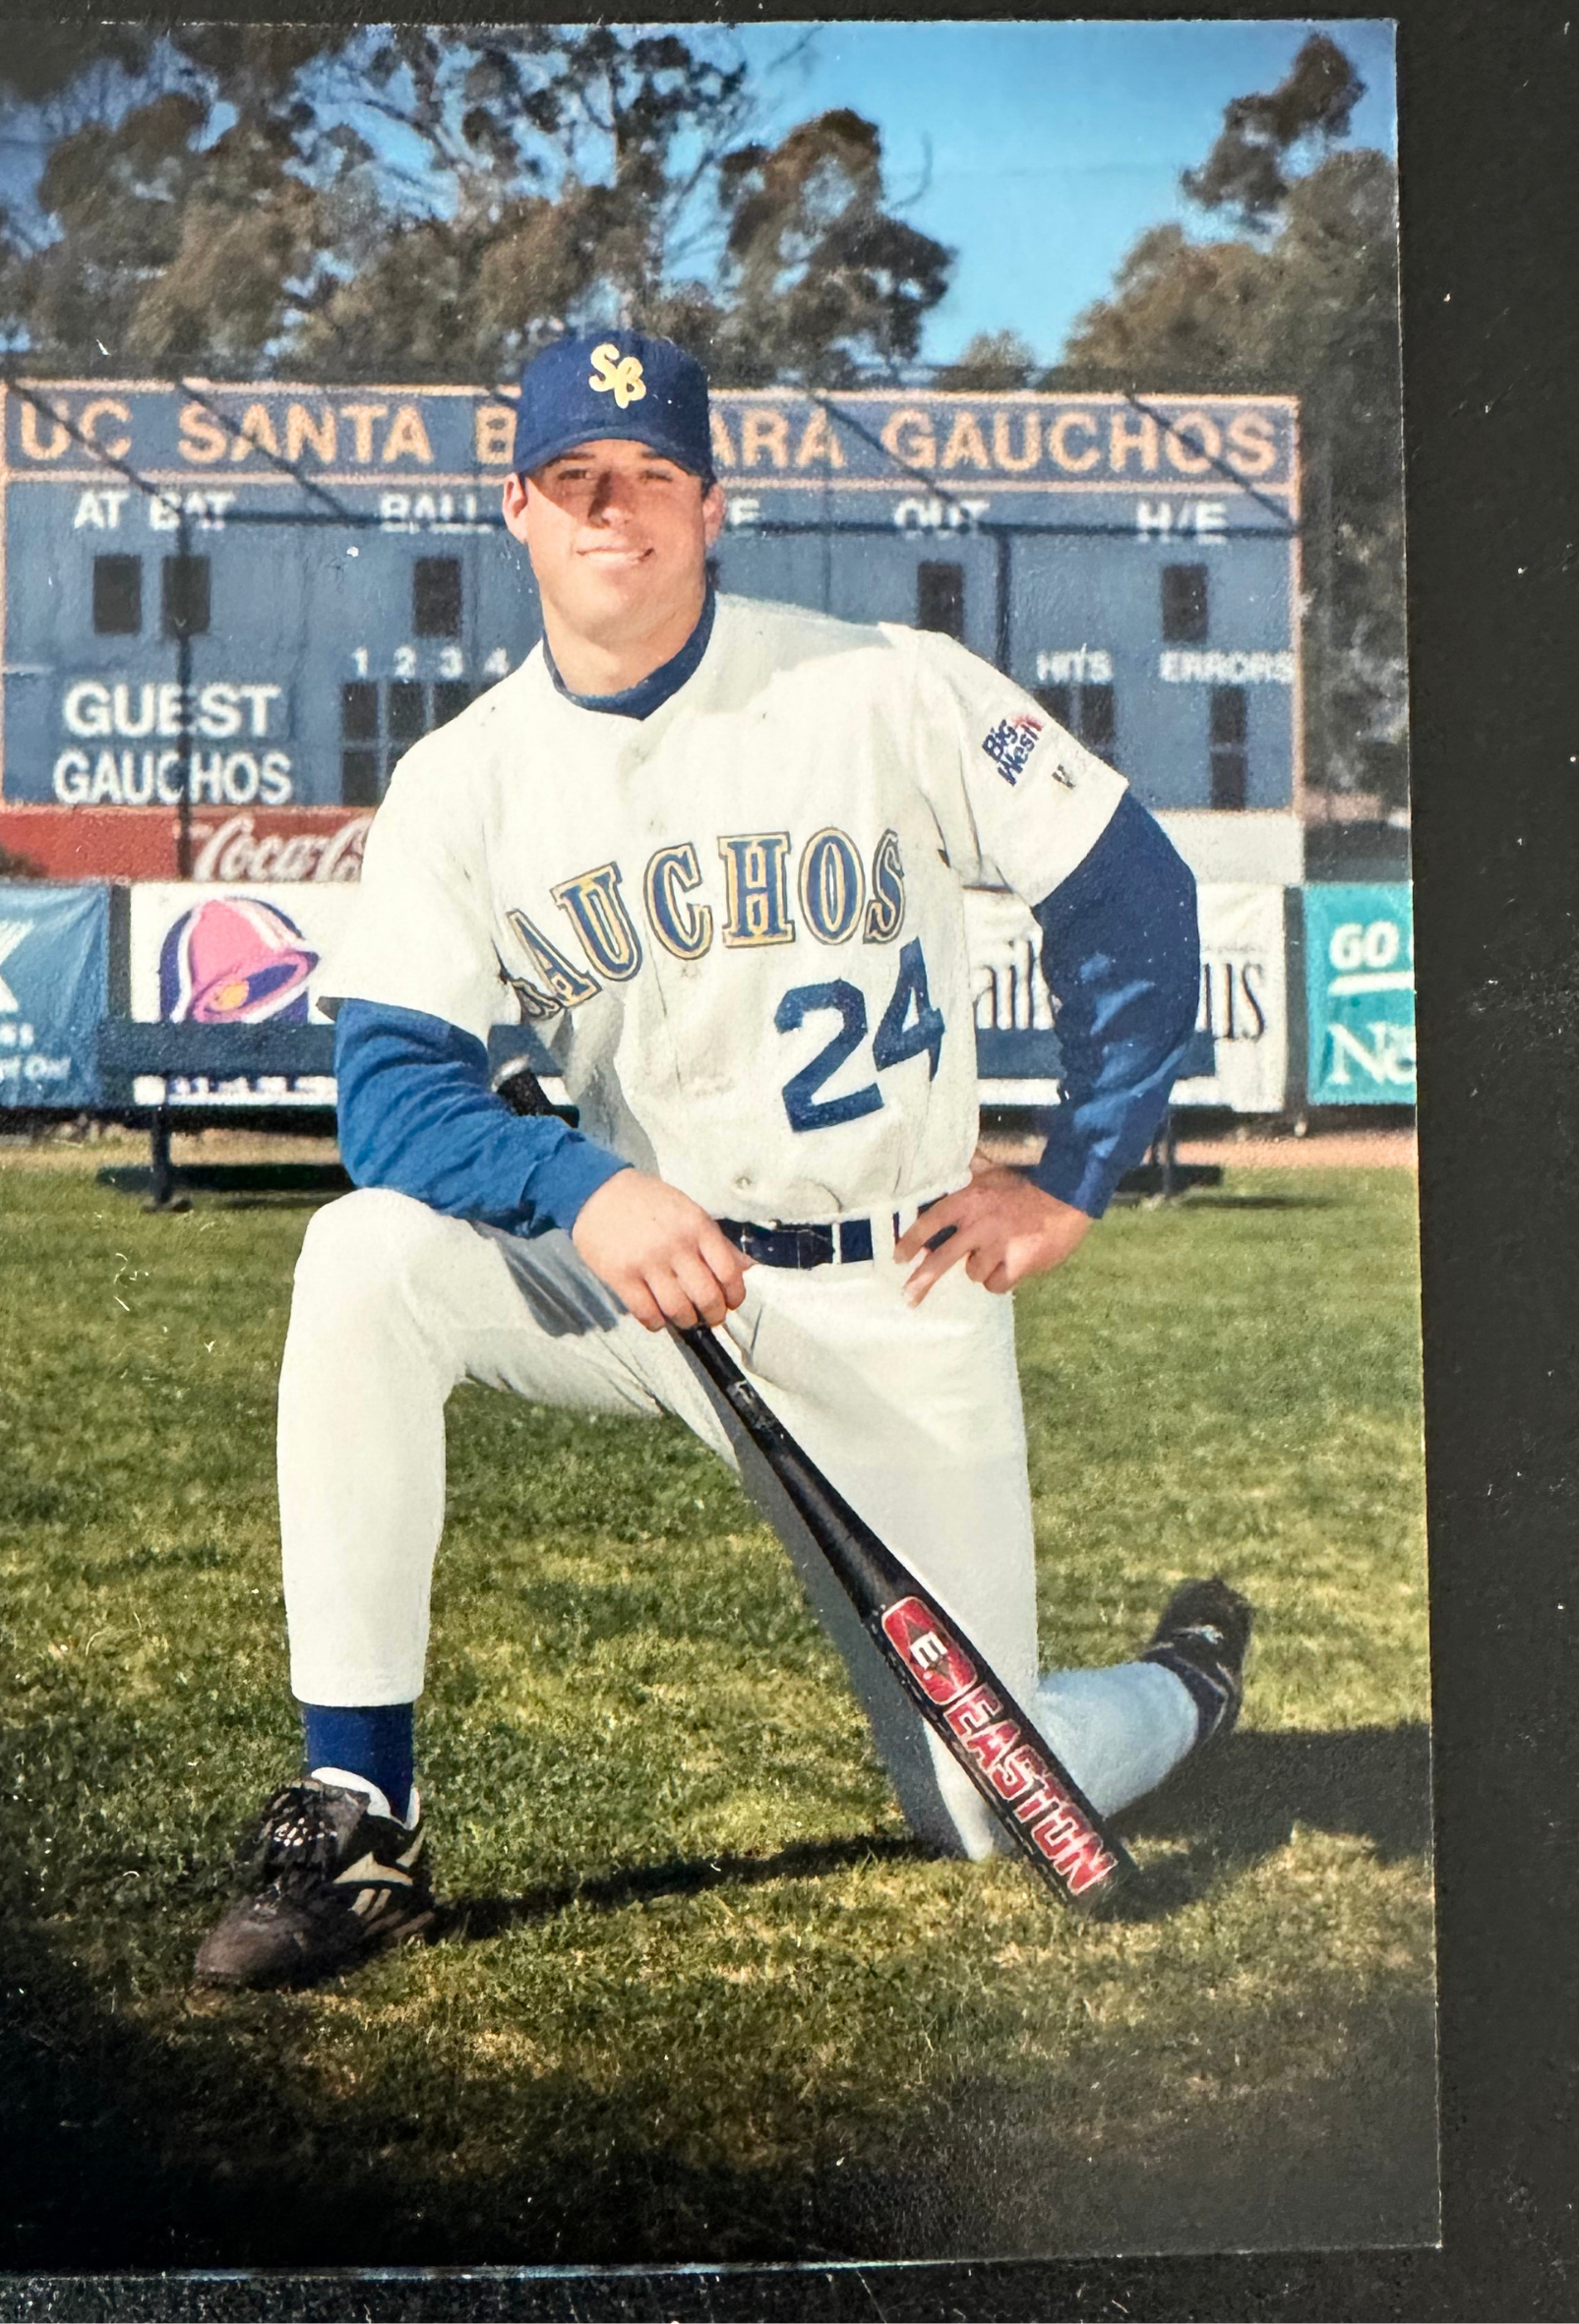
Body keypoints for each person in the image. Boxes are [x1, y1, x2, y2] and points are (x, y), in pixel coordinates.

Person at [195, 330, 1251, 1990]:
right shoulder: (460, 781)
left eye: (652, 478)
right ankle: (360, 1814)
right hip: (651, 1276)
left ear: (709, 504)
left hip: (891, 1286)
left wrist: (1075, 1170)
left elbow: (1129, 890)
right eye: (575, 480)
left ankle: (1187, 1676)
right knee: (362, 1261)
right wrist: (581, 1186)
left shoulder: (879, 683)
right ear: (519, 510)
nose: (614, 513)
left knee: (985, 1799)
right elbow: (390, 1097)